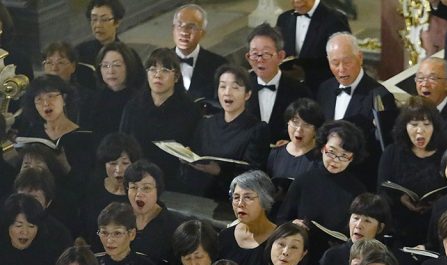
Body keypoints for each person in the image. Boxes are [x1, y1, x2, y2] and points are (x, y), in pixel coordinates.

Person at [315, 32, 396, 188]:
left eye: (347, 62)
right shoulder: (325, 88)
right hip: (325, 177)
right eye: (335, 63)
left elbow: (384, 148)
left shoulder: (380, 95)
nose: (341, 69)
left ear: (360, 57)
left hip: (359, 180)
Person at [178, 65, 270, 199]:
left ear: (247, 94)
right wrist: (186, 158)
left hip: (231, 200)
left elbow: (254, 176)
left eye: (235, 87)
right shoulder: (206, 123)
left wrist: (220, 171)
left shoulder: (257, 129)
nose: (227, 92)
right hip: (198, 195)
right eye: (223, 86)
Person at [120, 48, 201, 190]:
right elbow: (123, 142)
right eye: (152, 69)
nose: (158, 75)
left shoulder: (190, 109)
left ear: (176, 77)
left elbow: (196, 147)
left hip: (174, 180)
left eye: (165, 70)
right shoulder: (133, 106)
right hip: (138, 178)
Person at [377, 96, 446, 245]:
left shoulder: (446, 153)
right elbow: (382, 191)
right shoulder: (392, 152)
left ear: (435, 127)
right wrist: (400, 198)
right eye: (414, 124)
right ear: (405, 127)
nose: (420, 131)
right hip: (400, 226)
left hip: (437, 227)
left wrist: (438, 203)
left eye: (427, 124)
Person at [277, 120, 367, 233]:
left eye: (344, 156)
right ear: (322, 148)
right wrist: (292, 224)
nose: (336, 160)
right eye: (332, 152)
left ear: (352, 158)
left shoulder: (357, 190)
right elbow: (281, 219)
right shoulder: (303, 180)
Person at [20, 75, 95, 198]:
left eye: (51, 96)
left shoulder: (83, 137)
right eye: (39, 99)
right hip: (35, 195)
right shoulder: (32, 132)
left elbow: (85, 183)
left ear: (64, 99)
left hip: (68, 197)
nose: (45, 103)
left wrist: (64, 165)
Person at [244, 23, 312, 144]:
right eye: (254, 54)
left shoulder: (300, 92)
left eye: (266, 53)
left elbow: (310, 132)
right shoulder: (240, 89)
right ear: (248, 58)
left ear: (280, 56)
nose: (259, 59)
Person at [315, 192, 391, 265]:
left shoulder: (386, 259)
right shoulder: (332, 256)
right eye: (356, 218)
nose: (359, 225)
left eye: (367, 221)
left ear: (380, 228)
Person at [275, 0, 351, 93]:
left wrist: (306, 75)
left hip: (321, 94)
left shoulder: (335, 19)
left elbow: (346, 64)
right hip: (289, 94)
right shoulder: (284, 19)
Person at [80, 133, 139, 246]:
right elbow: (82, 223)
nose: (119, 169)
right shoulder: (93, 186)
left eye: (125, 163)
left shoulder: (138, 193)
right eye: (113, 163)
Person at [123, 159, 185, 264]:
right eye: (133, 187)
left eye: (146, 188)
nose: (138, 194)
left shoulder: (175, 226)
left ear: (158, 190)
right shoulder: (119, 219)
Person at [219, 170, 276, 265]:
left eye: (248, 197)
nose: (240, 204)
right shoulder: (224, 236)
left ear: (265, 200)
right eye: (236, 197)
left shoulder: (279, 240)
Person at [88, 41, 143, 145]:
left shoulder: (139, 101)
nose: (111, 71)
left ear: (128, 66)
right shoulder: (93, 99)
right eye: (105, 66)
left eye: (117, 65)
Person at [172, 4, 227, 102]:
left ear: (202, 33)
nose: (184, 32)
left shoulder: (219, 65)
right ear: (173, 29)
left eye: (191, 27)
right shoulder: (159, 62)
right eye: (179, 25)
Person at [13, 166, 74, 254]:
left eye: (33, 198)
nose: (26, 203)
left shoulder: (59, 234)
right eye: (22, 197)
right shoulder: (4, 228)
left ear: (48, 202)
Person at [266, 98, 324, 190]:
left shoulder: (321, 158)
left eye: (306, 124)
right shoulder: (276, 153)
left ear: (316, 130)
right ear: (287, 122)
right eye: (295, 122)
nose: (299, 129)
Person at [41, 42, 93, 124]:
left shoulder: (87, 98)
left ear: (73, 67)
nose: (54, 68)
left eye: (60, 63)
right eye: (49, 63)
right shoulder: (35, 95)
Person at [75, 0, 135, 66]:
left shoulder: (128, 56)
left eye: (104, 19)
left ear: (117, 22)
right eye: (94, 19)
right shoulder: (80, 52)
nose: (98, 25)